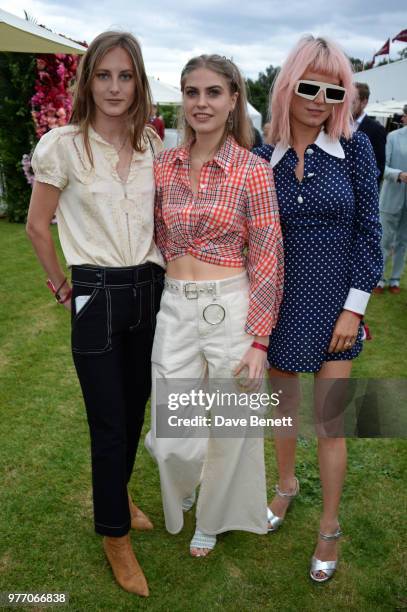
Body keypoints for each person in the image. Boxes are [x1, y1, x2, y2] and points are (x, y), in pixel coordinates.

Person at [26, 31, 165, 597]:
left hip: (150, 290)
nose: (114, 87)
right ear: (87, 81)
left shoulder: (154, 144)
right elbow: (39, 226)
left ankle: (120, 493)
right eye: (103, 75)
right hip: (97, 292)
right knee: (108, 424)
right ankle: (114, 536)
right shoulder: (62, 144)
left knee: (133, 414)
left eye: (125, 76)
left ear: (139, 83)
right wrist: (62, 284)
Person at [253, 35, 382, 582]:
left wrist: (353, 311)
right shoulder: (262, 160)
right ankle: (286, 487)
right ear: (287, 87)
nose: (319, 98)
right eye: (308, 86)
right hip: (280, 305)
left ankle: (329, 526)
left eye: (334, 90)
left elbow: (369, 237)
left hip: (337, 309)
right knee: (283, 412)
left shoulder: (355, 149)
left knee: (331, 422)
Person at [145, 54, 284, 557]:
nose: (201, 103)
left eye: (212, 93)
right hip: (176, 306)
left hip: (232, 305)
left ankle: (213, 516)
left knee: (232, 424)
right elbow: (155, 235)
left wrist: (260, 339)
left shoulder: (253, 170)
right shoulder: (163, 163)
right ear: (182, 99)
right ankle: (179, 466)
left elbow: (268, 253)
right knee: (173, 431)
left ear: (232, 101)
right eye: (191, 92)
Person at [374, 105, 407, 294]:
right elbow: (383, 167)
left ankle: (395, 279)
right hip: (391, 197)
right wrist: (399, 174)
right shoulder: (393, 137)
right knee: (384, 241)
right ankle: (379, 279)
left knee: (403, 241)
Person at [352, 82, 386, 185]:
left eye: (352, 101)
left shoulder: (376, 129)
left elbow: (379, 167)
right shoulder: (336, 124)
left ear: (364, 102)